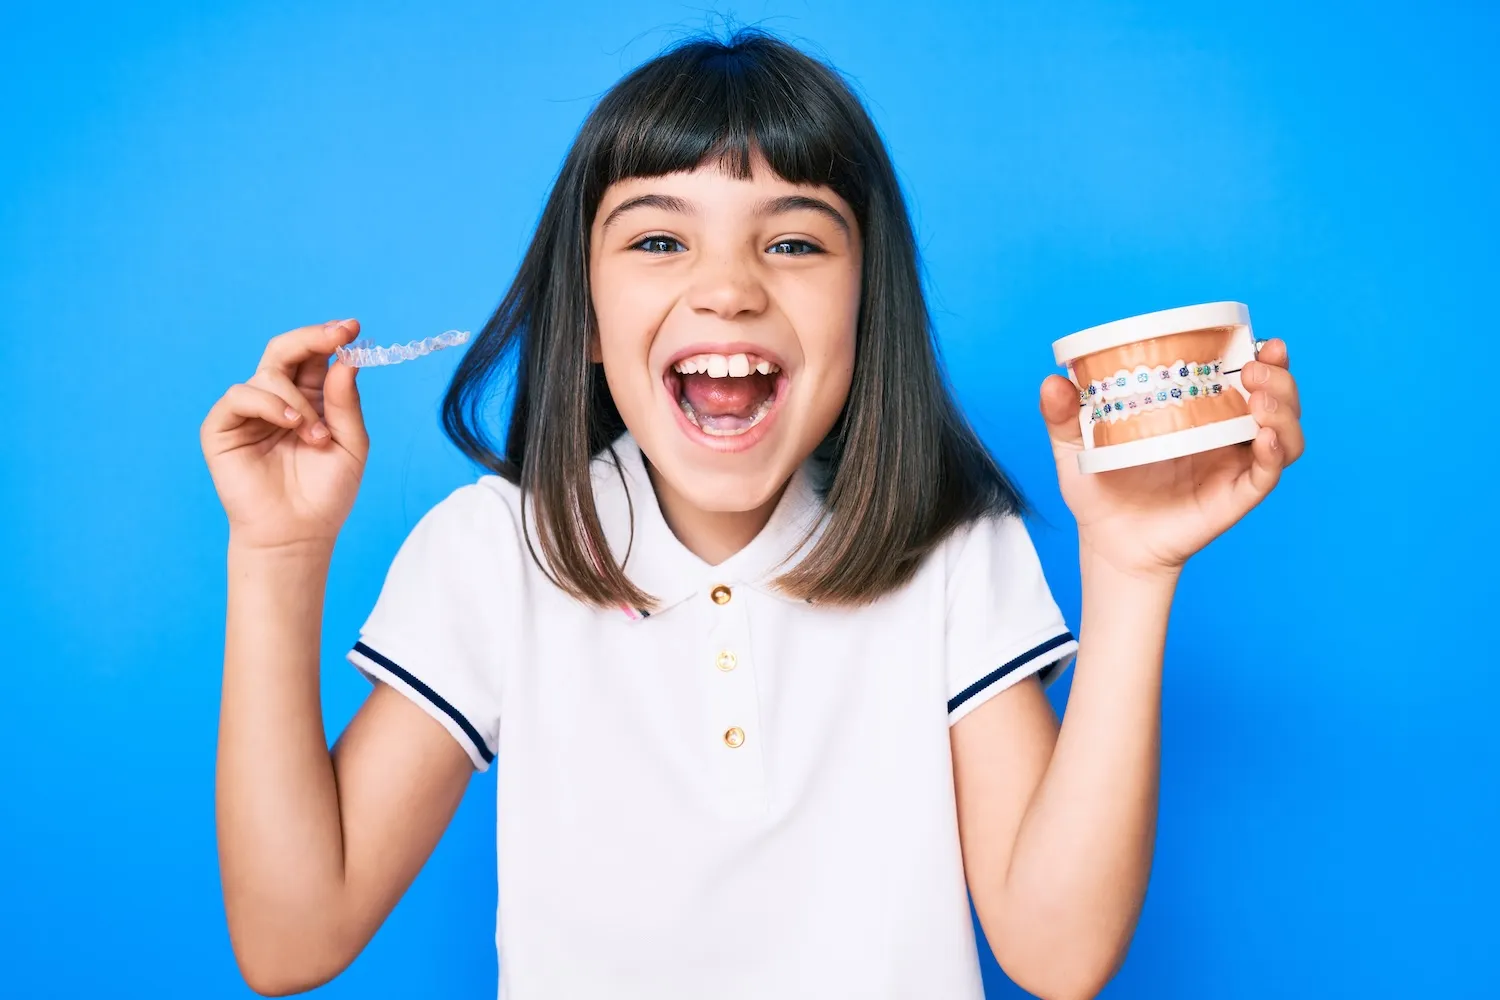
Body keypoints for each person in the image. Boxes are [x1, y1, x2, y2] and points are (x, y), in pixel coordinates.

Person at [199, 29, 1304, 1000]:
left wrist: (1132, 572)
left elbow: (1059, 956)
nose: (728, 287)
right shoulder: (497, 554)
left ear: (868, 312)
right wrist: (279, 549)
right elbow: (293, 939)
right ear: (582, 317)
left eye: (793, 241)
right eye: (658, 239)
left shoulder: (954, 553)